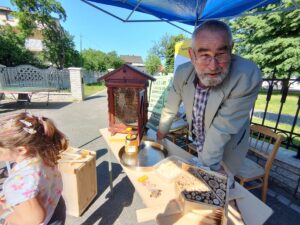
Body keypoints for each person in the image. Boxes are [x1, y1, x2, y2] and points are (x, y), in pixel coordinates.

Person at [157, 20, 262, 175]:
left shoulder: (247, 75)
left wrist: (210, 168)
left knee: (223, 190)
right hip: (200, 144)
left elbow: (222, 129)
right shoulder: (182, 73)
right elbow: (170, 108)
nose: (213, 66)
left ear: (231, 50)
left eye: (220, 54)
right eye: (205, 55)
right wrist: (159, 137)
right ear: (192, 55)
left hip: (228, 148)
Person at [0, 112, 68, 225]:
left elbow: (34, 219)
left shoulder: (18, 182)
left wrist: (11, 219)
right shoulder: (42, 155)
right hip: (55, 205)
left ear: (21, 150)